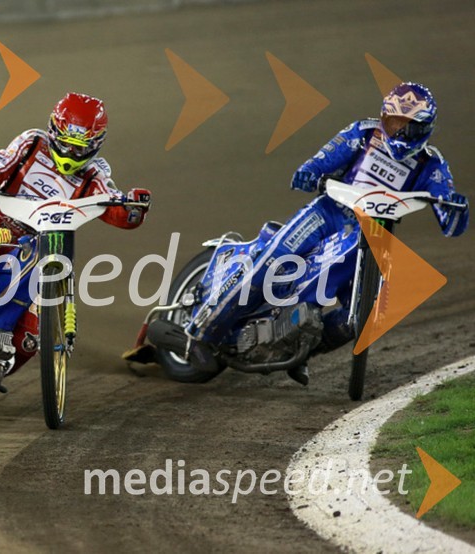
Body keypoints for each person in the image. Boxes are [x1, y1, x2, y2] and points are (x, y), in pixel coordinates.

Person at [192, 82, 469, 383]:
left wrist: (455, 208)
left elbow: (450, 222)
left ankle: (298, 348)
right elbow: (325, 158)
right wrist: (310, 170)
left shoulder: (433, 165)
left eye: (408, 126)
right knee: (274, 260)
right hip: (328, 214)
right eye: (393, 122)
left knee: (371, 314)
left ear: (425, 128)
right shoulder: (364, 133)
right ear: (383, 117)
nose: (399, 132)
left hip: (375, 237)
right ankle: (202, 334)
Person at [0, 92, 152, 373]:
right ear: (53, 131)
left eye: (80, 149)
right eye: (67, 145)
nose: (71, 154)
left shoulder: (95, 174)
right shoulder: (31, 143)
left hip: (43, 248)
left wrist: (134, 209)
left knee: (29, 340)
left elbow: (114, 206)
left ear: (96, 145)